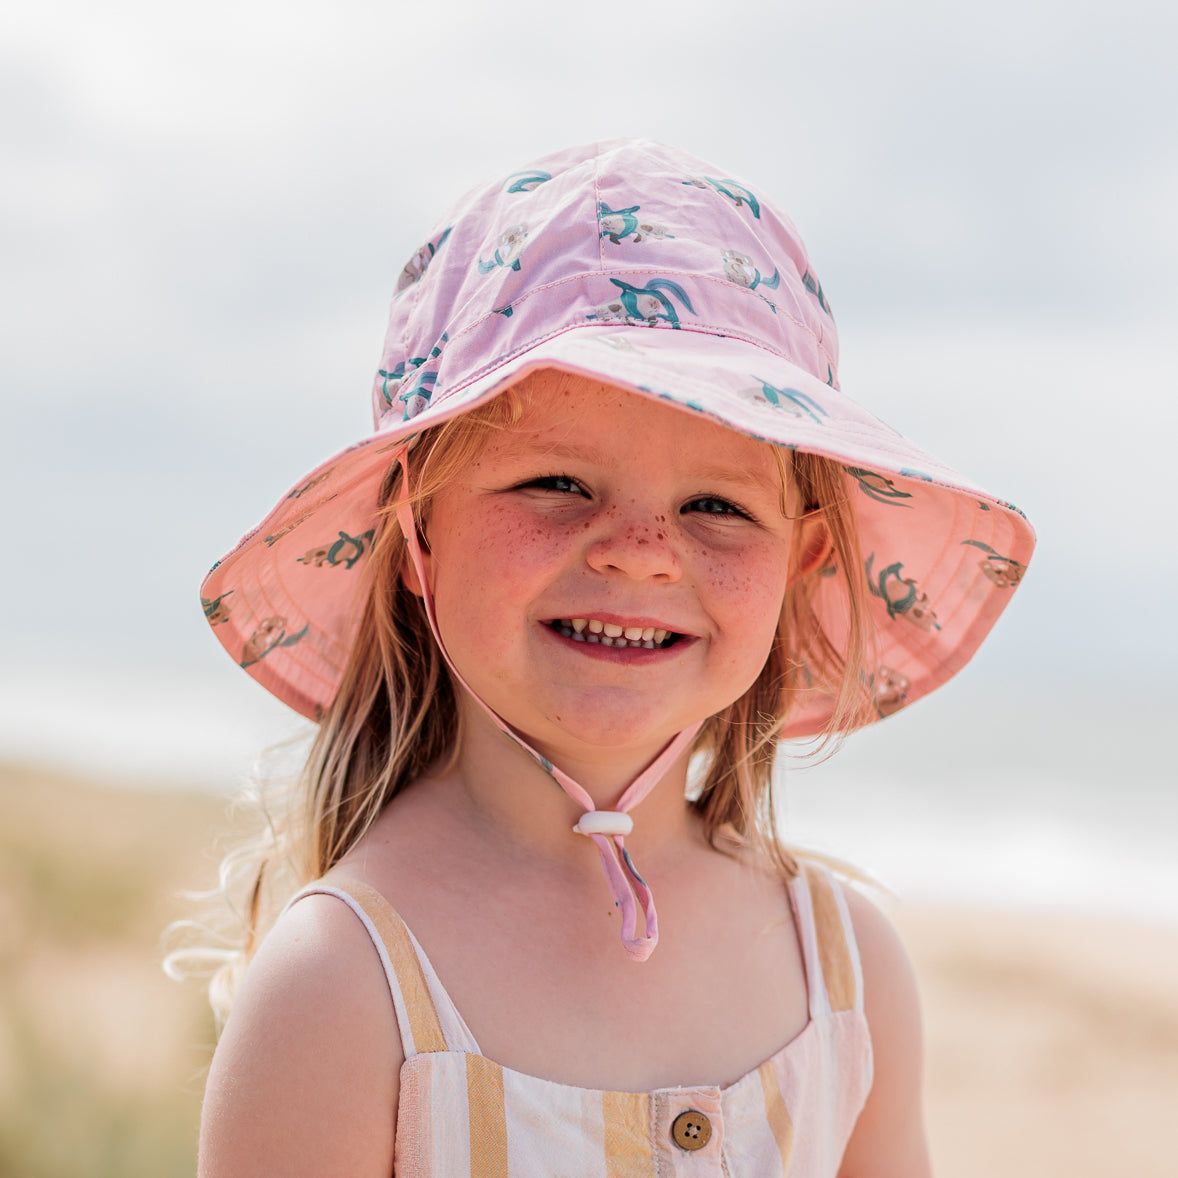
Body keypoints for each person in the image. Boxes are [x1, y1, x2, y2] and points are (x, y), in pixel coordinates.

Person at [192, 138, 1034, 1176]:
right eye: (555, 482)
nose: (638, 553)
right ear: (417, 534)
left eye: (714, 506)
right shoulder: (340, 983)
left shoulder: (848, 971)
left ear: (797, 562)